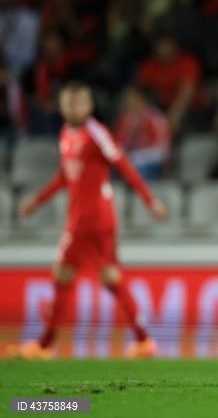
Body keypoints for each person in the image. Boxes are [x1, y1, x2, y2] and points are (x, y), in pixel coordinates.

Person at [8, 81, 167, 360]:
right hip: (90, 217)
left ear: (90, 105)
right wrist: (36, 202)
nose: (74, 107)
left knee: (62, 275)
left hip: (89, 219)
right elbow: (64, 176)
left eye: (80, 102)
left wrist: (149, 199)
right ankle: (144, 340)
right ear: (61, 106)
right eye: (69, 102)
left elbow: (123, 164)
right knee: (109, 276)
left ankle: (44, 346)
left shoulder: (96, 133)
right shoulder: (66, 134)